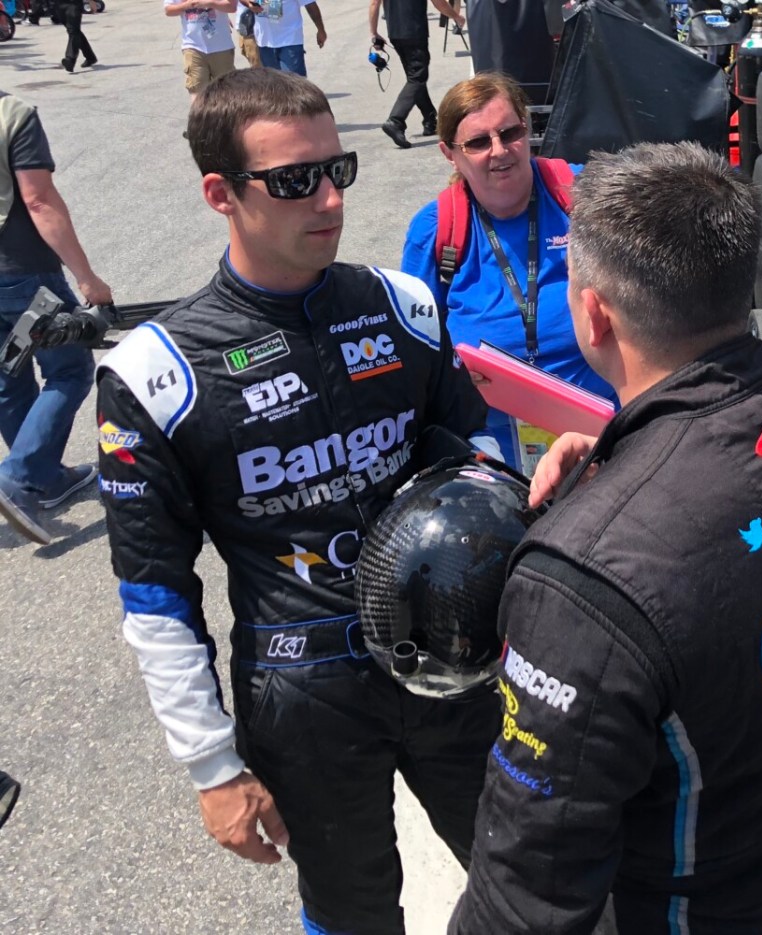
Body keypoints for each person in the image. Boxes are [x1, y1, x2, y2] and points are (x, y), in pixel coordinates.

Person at [449, 141, 762, 935]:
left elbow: (526, 890)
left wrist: (618, 510)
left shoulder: (582, 583)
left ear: (592, 313)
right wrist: (627, 465)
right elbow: (737, 472)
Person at [97, 68, 501, 935]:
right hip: (305, 691)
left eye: (337, 169)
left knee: (538, 884)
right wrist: (212, 765)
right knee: (352, 917)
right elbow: (155, 594)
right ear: (220, 193)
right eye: (292, 180)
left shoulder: (404, 306)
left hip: (454, 664)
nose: (327, 198)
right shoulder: (154, 375)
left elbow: (477, 468)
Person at [403, 73, 615, 472]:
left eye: (510, 133)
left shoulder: (584, 194)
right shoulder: (438, 230)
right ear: (450, 153)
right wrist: (452, 376)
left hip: (604, 441)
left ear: (528, 128)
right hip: (495, 457)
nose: (499, 151)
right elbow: (415, 354)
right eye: (478, 142)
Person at [0, 91, 111, 546]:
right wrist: (87, 279)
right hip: (21, 272)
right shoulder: (13, 115)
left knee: (9, 370)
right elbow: (38, 200)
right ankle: (20, 477)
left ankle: (45, 477)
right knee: (69, 369)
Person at [369, 0, 465, 149]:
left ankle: (429, 118)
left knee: (414, 77)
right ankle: (396, 120)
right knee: (417, 78)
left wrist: (374, 32)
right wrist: (456, 16)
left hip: (395, 32)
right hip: (414, 31)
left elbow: (374, 4)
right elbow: (438, 2)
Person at [164, 0, 237, 117]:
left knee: (225, 90)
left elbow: (232, 6)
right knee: (197, 89)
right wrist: (188, 5)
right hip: (193, 46)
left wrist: (209, 3)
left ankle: (226, 125)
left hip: (221, 46)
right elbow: (168, 10)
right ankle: (199, 126)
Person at [241, 0, 325, 77]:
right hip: (265, 41)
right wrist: (248, 3)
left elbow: (310, 5)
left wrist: (321, 30)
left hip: (290, 40)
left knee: (295, 82)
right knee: (274, 83)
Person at [56, 0, 98, 72]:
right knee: (74, 30)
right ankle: (90, 57)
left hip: (74, 3)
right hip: (58, 4)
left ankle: (70, 59)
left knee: (73, 31)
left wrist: (92, 1)